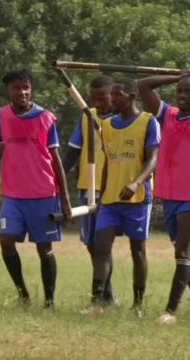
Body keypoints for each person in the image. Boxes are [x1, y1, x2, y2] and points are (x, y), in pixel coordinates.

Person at [0, 70, 72, 308]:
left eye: (26, 87)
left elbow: (56, 159)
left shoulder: (46, 117)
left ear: (32, 88)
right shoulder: (0, 117)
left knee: (44, 248)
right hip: (14, 195)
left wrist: (65, 199)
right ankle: (23, 295)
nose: (22, 92)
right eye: (17, 88)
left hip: (44, 194)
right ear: (9, 90)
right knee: (6, 240)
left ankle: (49, 302)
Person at [137, 68, 190, 324]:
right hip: (170, 194)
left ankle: (170, 311)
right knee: (187, 254)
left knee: (182, 252)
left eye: (189, 92)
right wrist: (179, 76)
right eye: (180, 91)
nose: (183, 95)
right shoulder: (167, 115)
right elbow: (143, 85)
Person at [85, 78, 160, 317]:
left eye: (117, 95)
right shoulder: (106, 125)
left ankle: (138, 303)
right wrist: (101, 193)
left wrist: (136, 182)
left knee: (137, 250)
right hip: (110, 200)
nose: (113, 99)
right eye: (112, 95)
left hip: (137, 199)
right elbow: (108, 161)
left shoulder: (148, 122)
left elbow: (152, 159)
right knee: (101, 247)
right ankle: (97, 301)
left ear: (131, 97)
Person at [63, 75, 119, 307]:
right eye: (93, 98)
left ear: (113, 96)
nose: (97, 103)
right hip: (88, 186)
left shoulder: (123, 119)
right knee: (90, 244)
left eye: (103, 98)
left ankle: (103, 297)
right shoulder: (87, 117)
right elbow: (72, 152)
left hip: (112, 189)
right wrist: (58, 179)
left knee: (103, 243)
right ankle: (106, 293)